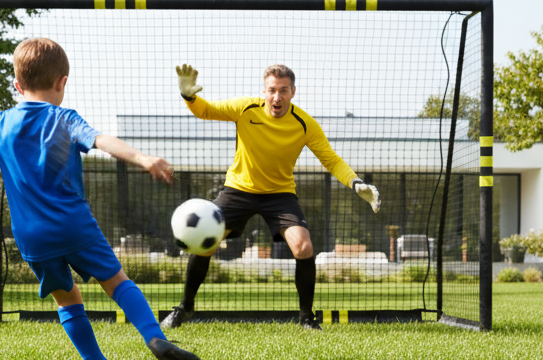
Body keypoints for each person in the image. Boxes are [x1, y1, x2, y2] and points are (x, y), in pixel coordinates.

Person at [0, 37, 202, 360]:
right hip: (73, 224)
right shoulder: (64, 118)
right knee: (117, 283)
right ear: (62, 82)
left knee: (67, 300)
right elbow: (101, 139)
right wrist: (143, 158)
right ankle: (156, 339)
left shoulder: (0, 125)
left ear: (17, 85)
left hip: (31, 236)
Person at [161, 63, 380, 331]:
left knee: (304, 247)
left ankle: (306, 319)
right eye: (272, 91)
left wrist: (355, 182)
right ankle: (185, 307)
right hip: (239, 190)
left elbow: (331, 160)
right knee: (205, 243)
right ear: (263, 91)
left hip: (280, 194)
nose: (277, 97)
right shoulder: (245, 108)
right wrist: (188, 96)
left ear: (293, 92)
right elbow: (206, 110)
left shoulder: (304, 123)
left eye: (284, 91)